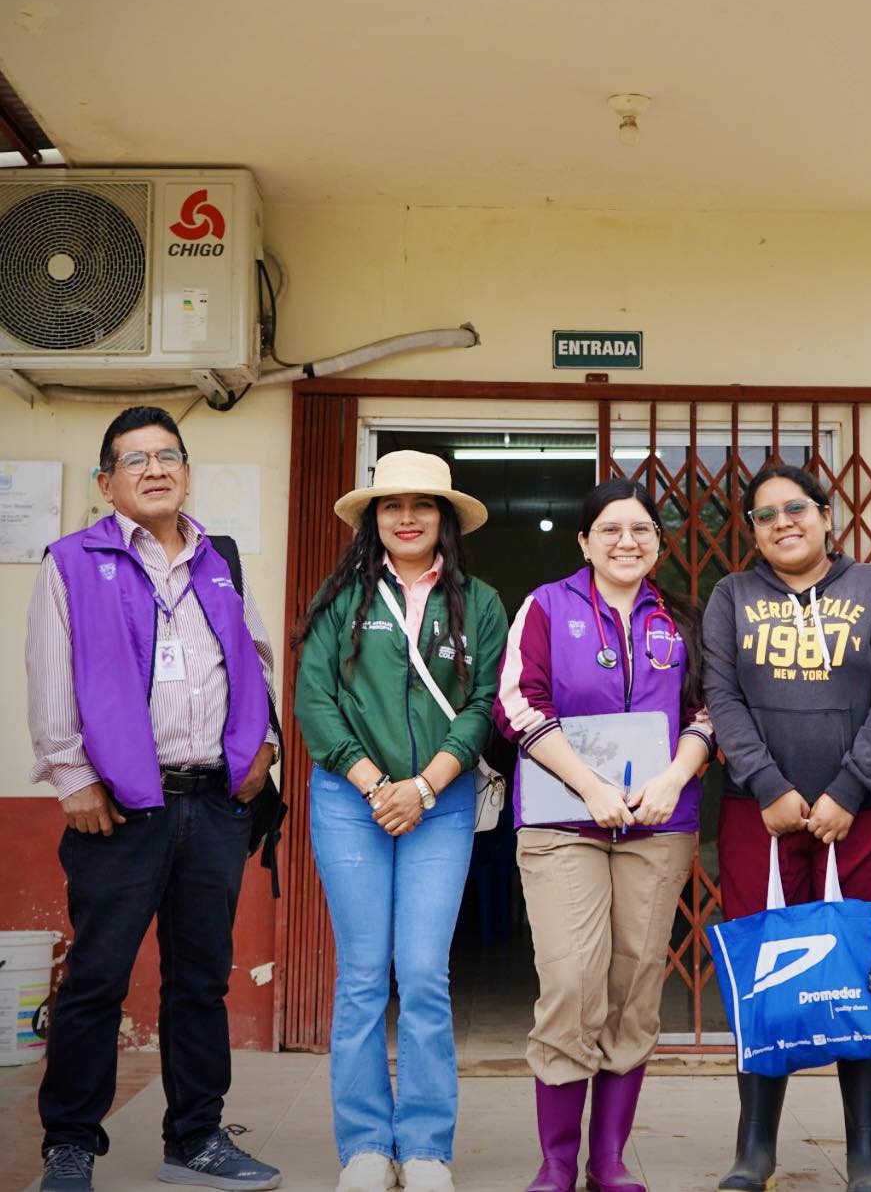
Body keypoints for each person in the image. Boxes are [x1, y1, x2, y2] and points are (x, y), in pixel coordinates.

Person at [25, 406, 282, 1192]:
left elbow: (256, 661)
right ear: (106, 483)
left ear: (187, 472)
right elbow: (49, 671)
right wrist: (71, 775)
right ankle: (70, 1143)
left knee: (200, 980)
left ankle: (195, 1137)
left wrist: (264, 749)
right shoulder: (71, 562)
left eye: (168, 455)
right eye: (134, 459)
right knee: (98, 977)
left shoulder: (220, 559)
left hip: (212, 804)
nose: (155, 468)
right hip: (119, 808)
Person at [702, 464, 871, 1192]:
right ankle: (754, 1150)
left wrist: (849, 788)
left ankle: (865, 1152)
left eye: (795, 508)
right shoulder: (732, 596)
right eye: (764, 515)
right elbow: (721, 697)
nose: (782, 523)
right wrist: (767, 785)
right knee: (764, 968)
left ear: (827, 516)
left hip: (864, 812)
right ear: (753, 531)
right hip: (760, 815)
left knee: (864, 969)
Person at [294, 450, 508, 1192]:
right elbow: (314, 699)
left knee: (421, 972)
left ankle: (423, 1146)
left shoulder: (480, 602)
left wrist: (421, 786)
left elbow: (482, 705)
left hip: (439, 802)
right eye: (392, 505)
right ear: (373, 518)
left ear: (445, 517)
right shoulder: (341, 598)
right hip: (349, 800)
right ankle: (363, 1145)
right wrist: (376, 782)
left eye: (423, 505)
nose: (407, 517)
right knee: (361, 974)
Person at [495, 479, 713, 1192]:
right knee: (572, 980)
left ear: (658, 542)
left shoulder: (682, 618)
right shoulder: (546, 606)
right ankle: (557, 1161)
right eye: (611, 529)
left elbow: (709, 710)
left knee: (634, 985)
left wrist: (674, 778)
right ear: (584, 541)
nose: (627, 541)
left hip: (657, 824)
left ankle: (608, 1160)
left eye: (641, 529)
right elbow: (517, 704)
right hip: (564, 823)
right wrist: (588, 785)